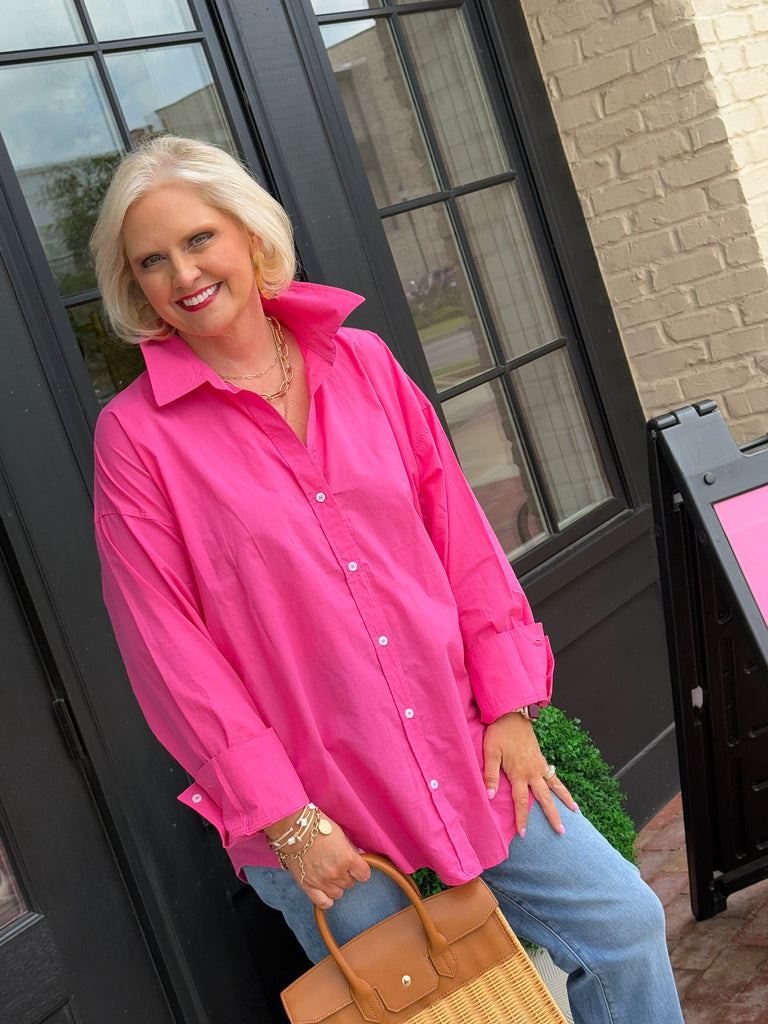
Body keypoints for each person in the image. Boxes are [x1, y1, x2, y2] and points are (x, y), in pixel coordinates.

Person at [90, 135, 684, 1024]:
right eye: (152, 261)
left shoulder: (363, 362)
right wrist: (287, 819)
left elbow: (461, 540)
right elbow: (168, 650)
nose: (183, 274)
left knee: (624, 927)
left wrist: (512, 709)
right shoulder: (137, 438)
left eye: (199, 238)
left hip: (462, 743)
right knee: (423, 1013)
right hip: (316, 803)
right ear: (134, 284)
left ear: (249, 234)